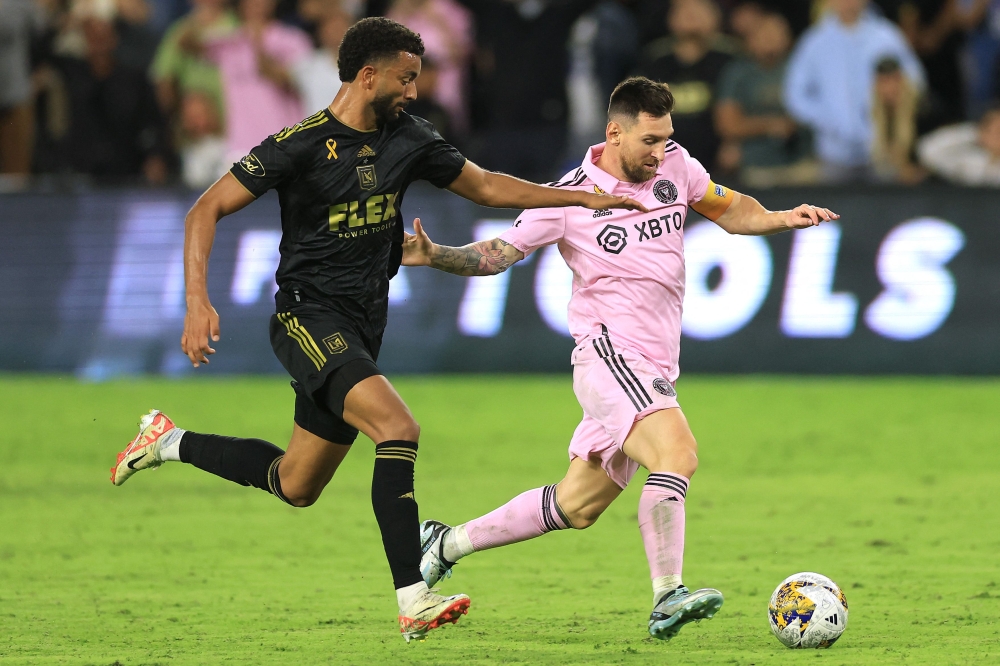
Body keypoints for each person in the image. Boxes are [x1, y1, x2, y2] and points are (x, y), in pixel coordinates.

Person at [109, 17, 646, 644]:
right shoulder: (300, 144)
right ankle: (413, 596)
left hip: (363, 325)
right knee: (399, 429)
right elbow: (206, 208)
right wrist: (196, 300)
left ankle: (167, 441)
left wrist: (578, 199)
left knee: (296, 483)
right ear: (369, 76)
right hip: (307, 316)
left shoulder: (410, 138)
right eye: (406, 77)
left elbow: (487, 187)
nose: (415, 91)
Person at [403, 76, 838, 641]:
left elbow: (729, 208)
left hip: (654, 366)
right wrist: (437, 255)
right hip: (609, 354)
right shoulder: (568, 197)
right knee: (676, 453)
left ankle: (445, 543)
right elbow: (496, 255)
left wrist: (780, 217)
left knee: (578, 504)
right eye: (650, 141)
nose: (660, 153)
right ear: (614, 132)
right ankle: (667, 595)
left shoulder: (676, 167)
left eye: (666, 139)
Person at [783, 0, 925, 182]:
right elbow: (795, 95)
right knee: (833, 209)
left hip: (882, 154)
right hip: (833, 154)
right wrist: (829, 120)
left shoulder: (886, 36)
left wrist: (891, 104)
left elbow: (916, 81)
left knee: (885, 207)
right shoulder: (815, 41)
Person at [714, 11, 817, 186]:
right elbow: (727, 125)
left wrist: (793, 124)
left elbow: (822, 110)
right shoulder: (738, 73)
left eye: (777, 33)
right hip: (758, 166)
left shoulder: (802, 68)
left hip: (802, 163)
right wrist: (771, 125)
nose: (770, 38)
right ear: (750, 39)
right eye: (764, 33)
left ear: (788, 38)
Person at [204, 0, 312, 163]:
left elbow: (285, 80)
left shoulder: (293, 39)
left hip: (283, 146)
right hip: (239, 148)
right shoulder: (229, 41)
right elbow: (188, 43)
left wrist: (257, 43)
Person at [636, 0, 736, 171]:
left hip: (718, 158)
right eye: (684, 11)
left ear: (716, 17)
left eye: (700, 11)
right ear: (671, 18)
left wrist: (735, 143)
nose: (692, 17)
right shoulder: (655, 58)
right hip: (664, 158)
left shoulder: (730, 57)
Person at [870, 57, 925, 183]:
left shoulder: (923, 109)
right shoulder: (872, 113)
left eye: (895, 80)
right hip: (889, 179)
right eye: (884, 82)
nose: (890, 88)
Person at [291, 8, 352, 115]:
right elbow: (277, 75)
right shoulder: (309, 64)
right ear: (322, 33)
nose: (336, 32)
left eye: (340, 27)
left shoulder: (368, 65)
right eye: (331, 28)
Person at [918, 106, 1000, 184]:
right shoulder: (967, 160)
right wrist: (973, 132)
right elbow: (928, 150)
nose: (998, 137)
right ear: (983, 133)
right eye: (997, 131)